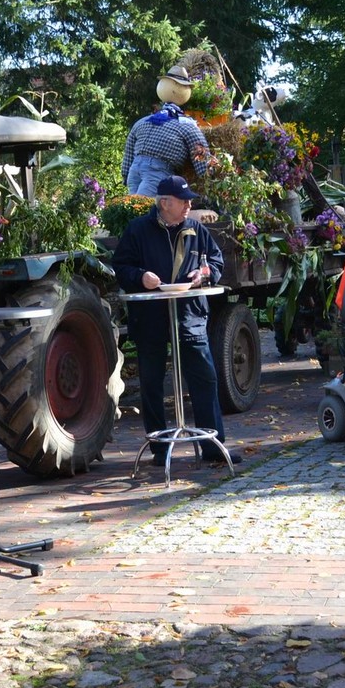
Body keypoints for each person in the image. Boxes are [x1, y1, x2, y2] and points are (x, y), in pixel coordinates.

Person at [111, 175, 240, 465]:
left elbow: (216, 261)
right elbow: (121, 266)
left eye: (189, 200)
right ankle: (160, 449)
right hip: (150, 318)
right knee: (152, 383)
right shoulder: (137, 230)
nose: (189, 205)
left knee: (205, 379)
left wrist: (204, 274)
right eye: (183, 200)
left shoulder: (196, 229)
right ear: (165, 203)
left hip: (190, 314)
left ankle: (212, 445)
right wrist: (140, 277)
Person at [121, 66, 211, 197]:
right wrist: (207, 176)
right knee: (143, 209)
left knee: (134, 208)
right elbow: (201, 152)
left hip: (134, 169)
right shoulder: (186, 125)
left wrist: (125, 174)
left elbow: (129, 152)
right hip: (157, 170)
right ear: (185, 91)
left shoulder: (143, 122)